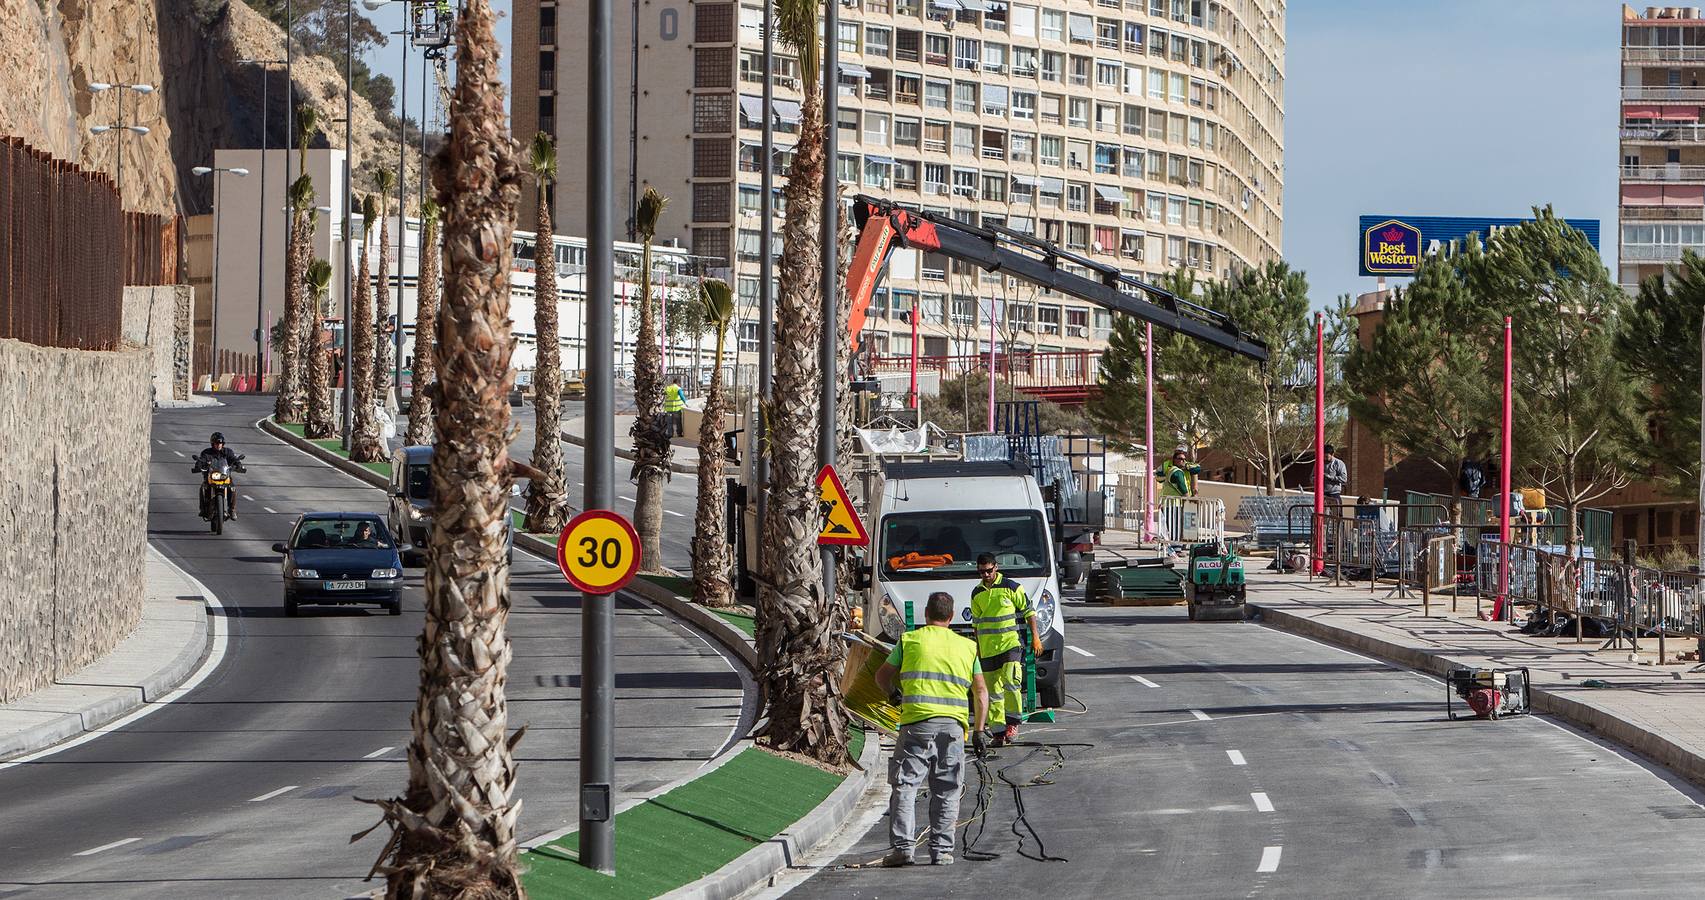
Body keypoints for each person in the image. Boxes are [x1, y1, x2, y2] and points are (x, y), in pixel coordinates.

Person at [875, 591, 989, 867]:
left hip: (916, 724)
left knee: (905, 785)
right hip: (952, 728)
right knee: (947, 789)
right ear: (950, 617)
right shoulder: (967, 647)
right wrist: (979, 731)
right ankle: (941, 851)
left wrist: (893, 693)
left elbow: (881, 677)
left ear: (926, 614)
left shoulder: (910, 640)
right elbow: (982, 692)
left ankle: (903, 848)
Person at [971, 553, 1043, 747]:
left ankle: (1012, 724)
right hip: (987, 649)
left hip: (1010, 644)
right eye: (981, 571)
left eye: (988, 570)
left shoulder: (1011, 587)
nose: (985, 574)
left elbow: (1029, 612)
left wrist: (1035, 638)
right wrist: (977, 650)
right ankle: (997, 732)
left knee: (1011, 682)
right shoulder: (976, 593)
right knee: (993, 692)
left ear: (996, 567)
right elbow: (976, 625)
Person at [193, 432, 246, 520]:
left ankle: (232, 509)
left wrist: (238, 465)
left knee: (232, 488)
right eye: (216, 443)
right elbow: (201, 460)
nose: (218, 445)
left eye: (220, 443)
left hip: (224, 476)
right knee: (203, 488)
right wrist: (198, 465)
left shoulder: (228, 452)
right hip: (210, 477)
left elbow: (234, 459)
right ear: (212, 443)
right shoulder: (206, 453)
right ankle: (203, 509)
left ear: (223, 444)